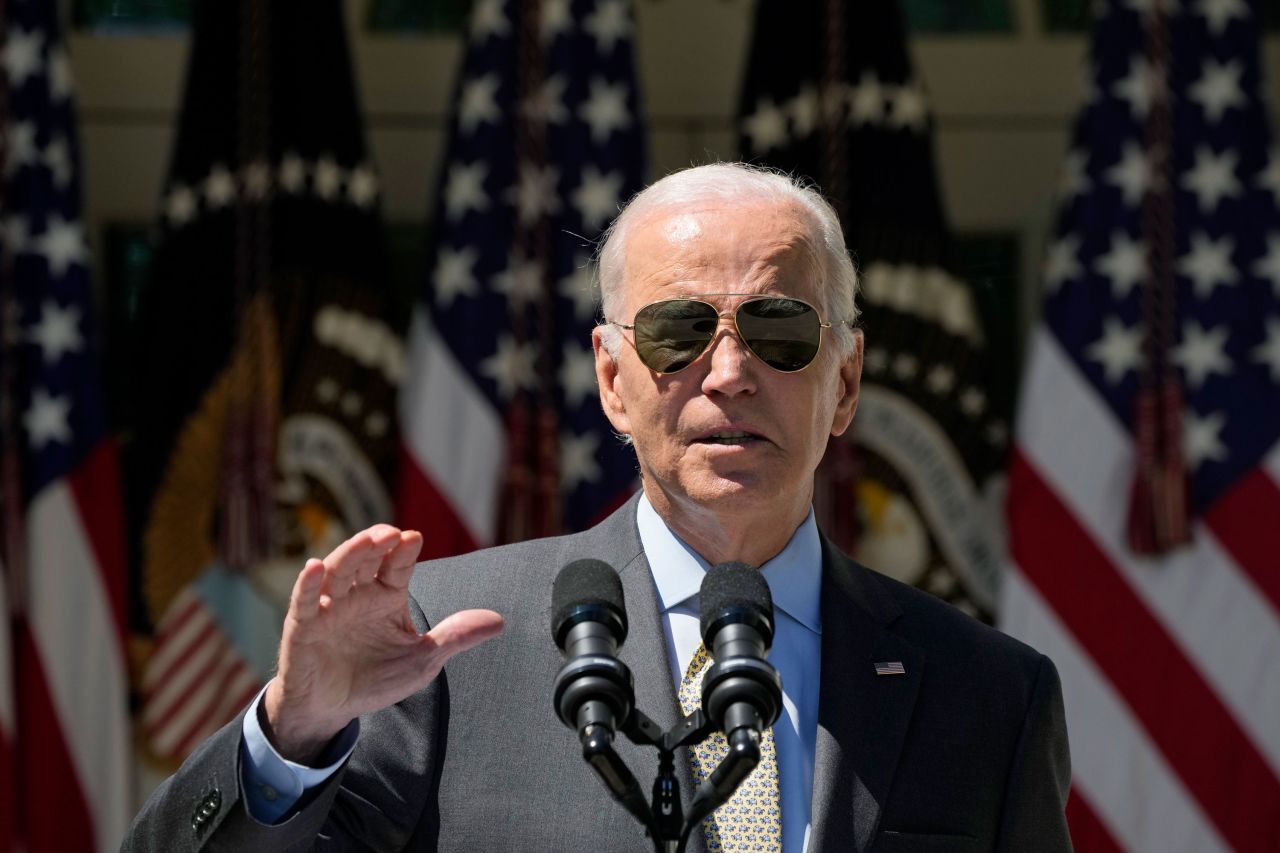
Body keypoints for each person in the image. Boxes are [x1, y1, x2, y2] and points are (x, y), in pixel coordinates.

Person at [123, 163, 1072, 852]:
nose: (730, 373)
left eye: (779, 330)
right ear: (614, 381)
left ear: (848, 381)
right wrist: (291, 735)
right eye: (678, 331)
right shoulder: (447, 651)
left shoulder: (988, 692)